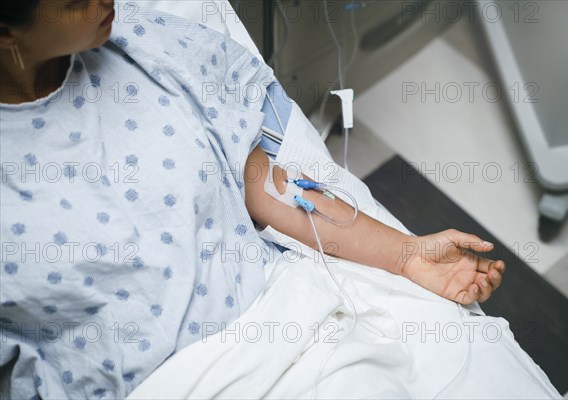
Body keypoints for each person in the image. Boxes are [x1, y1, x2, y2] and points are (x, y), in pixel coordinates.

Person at [0, 1, 506, 398]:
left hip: (294, 344)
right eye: (73, 1)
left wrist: (407, 255)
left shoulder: (142, 51)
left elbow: (267, 185)